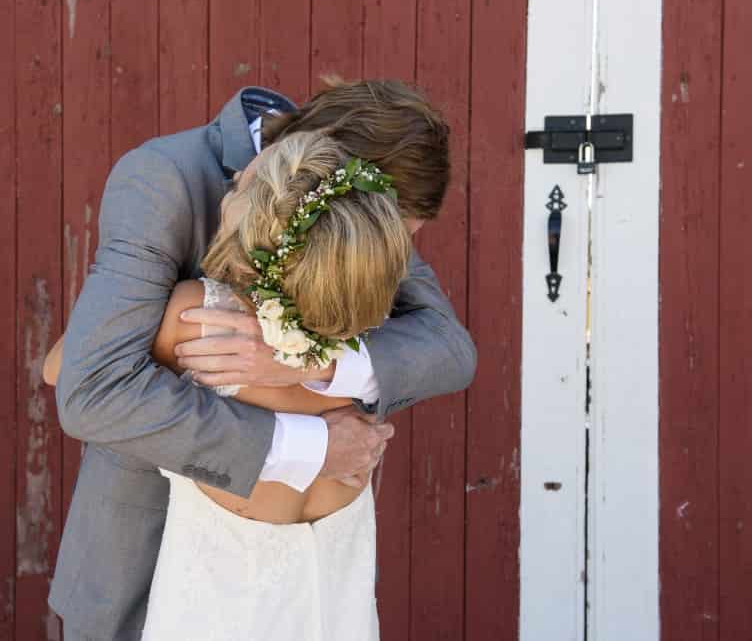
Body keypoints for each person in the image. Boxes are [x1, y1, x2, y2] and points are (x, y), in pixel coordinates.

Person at [46, 80, 477, 640]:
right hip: (138, 568)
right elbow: (89, 386)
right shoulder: (163, 178)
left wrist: (303, 361)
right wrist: (312, 446)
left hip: (313, 582)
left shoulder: (358, 211)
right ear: (347, 175)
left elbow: (449, 348)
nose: (390, 252)